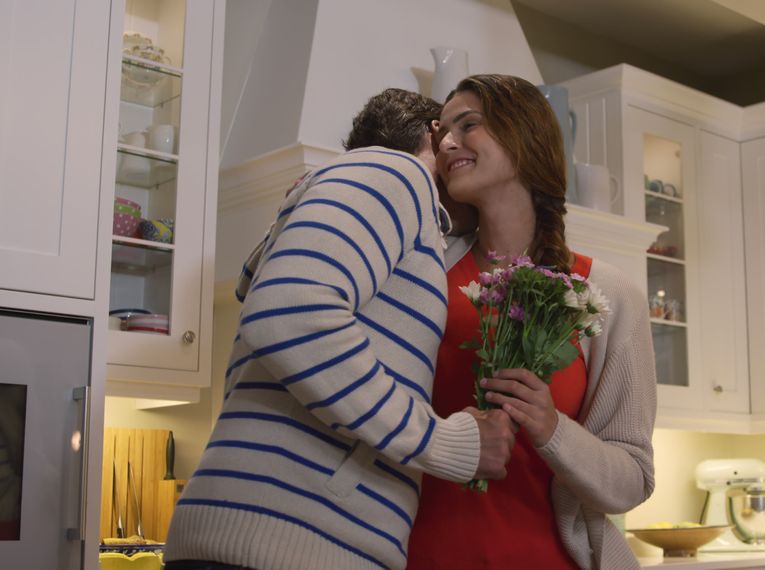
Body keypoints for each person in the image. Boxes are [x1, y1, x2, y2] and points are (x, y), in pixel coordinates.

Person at [164, 88, 516, 570]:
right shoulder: (398, 172)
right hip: (290, 544)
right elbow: (290, 310)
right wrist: (443, 443)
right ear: (433, 138)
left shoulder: (370, 194)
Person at [406, 74, 658, 569]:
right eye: (442, 136)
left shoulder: (609, 297)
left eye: (468, 125)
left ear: (524, 138)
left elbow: (632, 478)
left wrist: (551, 429)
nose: (448, 143)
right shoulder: (424, 279)